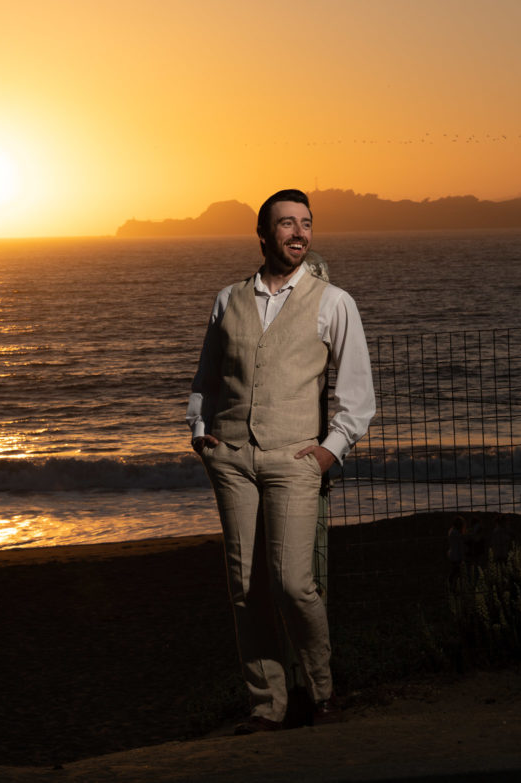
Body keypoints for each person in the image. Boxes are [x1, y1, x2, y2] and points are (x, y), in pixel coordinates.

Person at [187, 189, 375, 733]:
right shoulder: (228, 299)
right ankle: (266, 706)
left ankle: (322, 692)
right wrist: (203, 434)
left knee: (295, 584)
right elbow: (206, 377)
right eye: (287, 224)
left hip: (295, 460)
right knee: (246, 588)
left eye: (306, 224)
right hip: (232, 459)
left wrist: (325, 454)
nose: (298, 233)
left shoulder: (333, 301)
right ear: (263, 235)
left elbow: (357, 396)